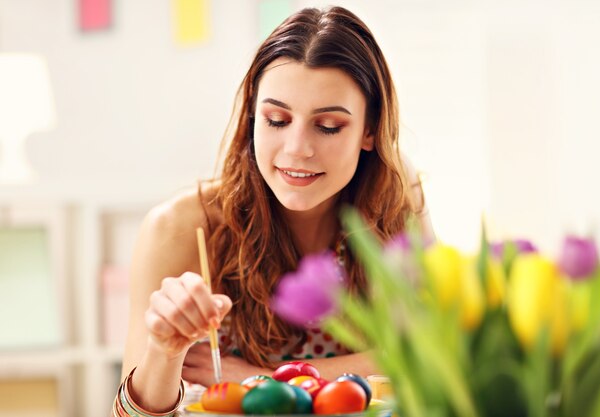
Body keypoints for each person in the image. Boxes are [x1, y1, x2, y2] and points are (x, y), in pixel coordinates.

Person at [113, 5, 434, 416]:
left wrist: (258, 378)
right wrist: (163, 350)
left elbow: (425, 357)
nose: (297, 148)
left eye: (328, 126)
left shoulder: (393, 199)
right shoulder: (180, 227)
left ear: (369, 130)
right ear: (252, 117)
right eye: (276, 120)